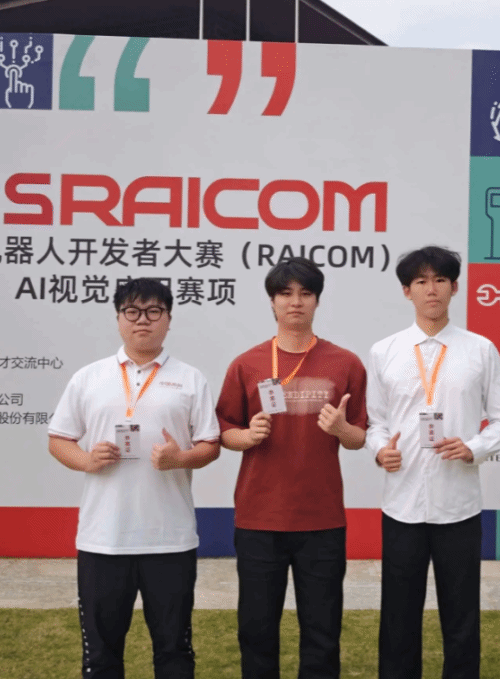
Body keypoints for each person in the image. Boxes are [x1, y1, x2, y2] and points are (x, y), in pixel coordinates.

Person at [48, 279, 221, 679]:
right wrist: (87, 460)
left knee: (175, 651)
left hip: (170, 539)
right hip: (103, 539)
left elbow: (210, 445)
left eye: (153, 311)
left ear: (168, 319)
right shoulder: (89, 377)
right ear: (118, 319)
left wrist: (180, 458)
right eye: (132, 311)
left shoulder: (190, 379)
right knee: (101, 656)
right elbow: (58, 439)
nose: (143, 320)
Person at [365, 246, 500, 679]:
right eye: (420, 281)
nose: (430, 289)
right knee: (398, 616)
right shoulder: (384, 351)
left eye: (439, 280)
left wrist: (475, 447)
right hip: (402, 504)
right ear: (406, 291)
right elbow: (375, 422)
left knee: (461, 614)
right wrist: (380, 450)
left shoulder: (480, 349)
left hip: (459, 506)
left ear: (454, 287)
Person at [216, 257, 368, 679]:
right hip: (259, 517)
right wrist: (247, 436)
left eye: (305, 293)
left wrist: (341, 429)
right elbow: (223, 429)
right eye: (285, 293)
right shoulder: (246, 364)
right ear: (272, 301)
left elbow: (360, 437)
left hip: (321, 519)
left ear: (317, 300)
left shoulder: (345, 363)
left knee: (322, 630)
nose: (295, 302)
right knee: (256, 628)